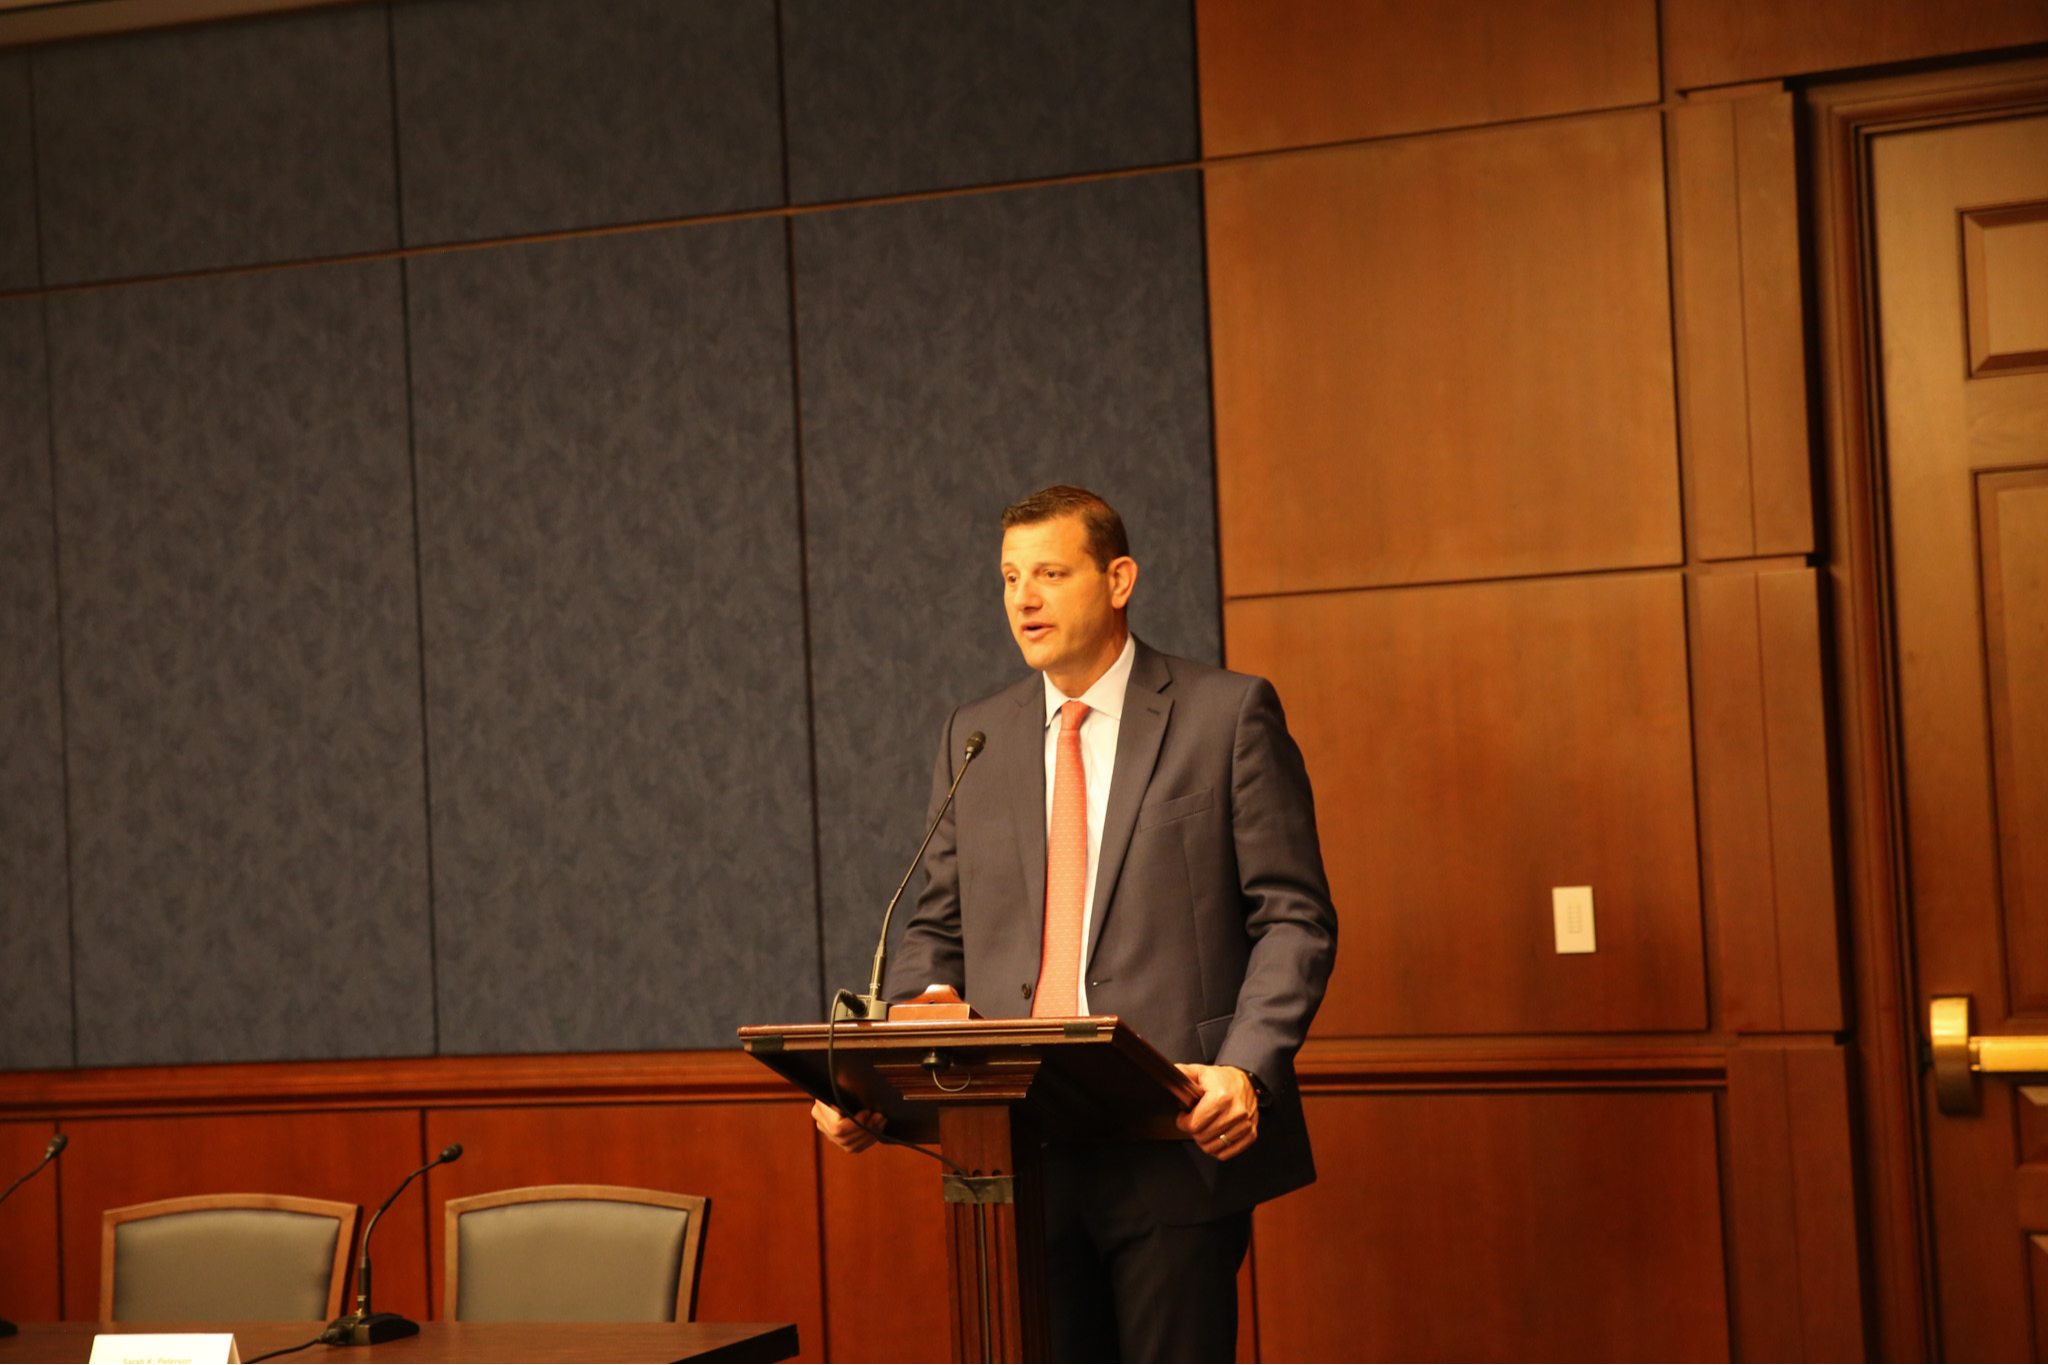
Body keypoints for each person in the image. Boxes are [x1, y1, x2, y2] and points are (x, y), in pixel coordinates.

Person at [813, 485, 1337, 1363]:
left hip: (1174, 1135)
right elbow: (936, 930)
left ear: (1119, 577)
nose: (1024, 598)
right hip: (1016, 1147)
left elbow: (1295, 918)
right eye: (1010, 577)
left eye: (1051, 573)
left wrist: (1246, 1068)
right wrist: (880, 1075)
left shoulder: (1227, 715)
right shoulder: (973, 735)